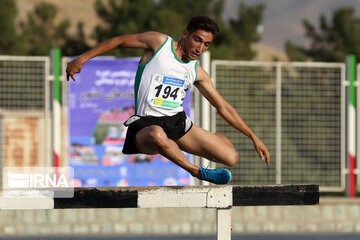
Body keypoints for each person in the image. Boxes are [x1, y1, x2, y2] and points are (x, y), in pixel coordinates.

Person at [66, 16, 270, 185]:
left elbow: (222, 106)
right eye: (197, 40)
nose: (200, 48)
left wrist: (253, 136)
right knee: (157, 134)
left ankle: (189, 144)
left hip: (177, 123)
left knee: (231, 157)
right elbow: (119, 41)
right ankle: (196, 171)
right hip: (145, 126)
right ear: (185, 34)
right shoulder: (159, 43)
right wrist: (82, 59)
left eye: (206, 44)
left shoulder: (196, 71)